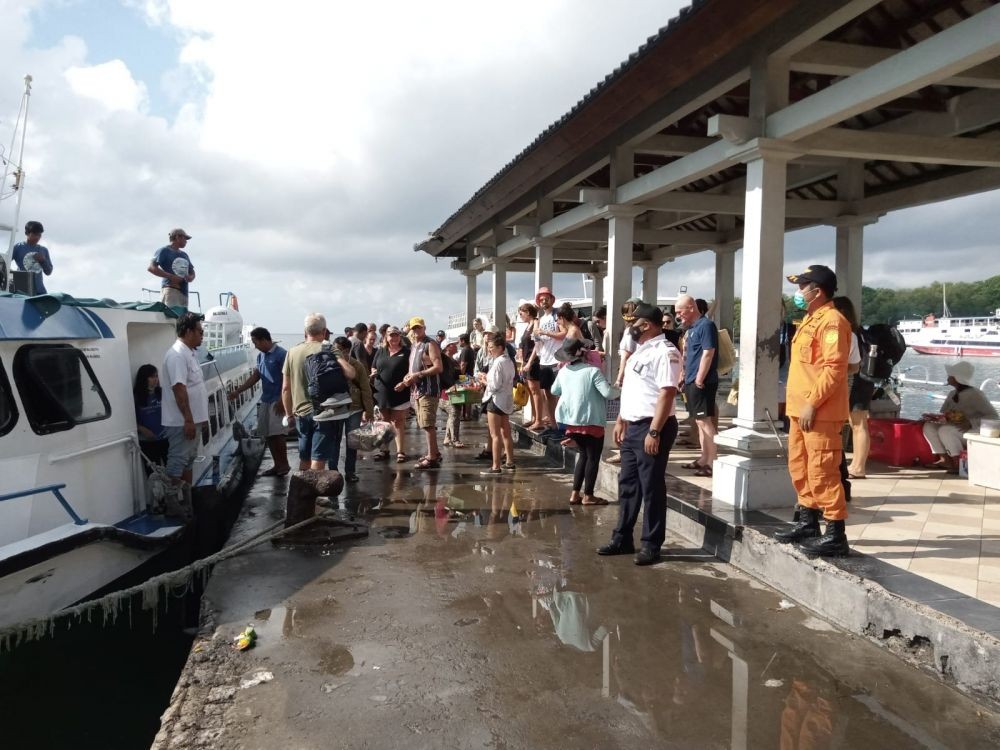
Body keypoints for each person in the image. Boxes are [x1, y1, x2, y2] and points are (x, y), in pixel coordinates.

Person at [774, 265, 851, 557]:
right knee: (800, 466)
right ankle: (807, 521)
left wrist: (812, 403)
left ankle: (835, 533)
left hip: (819, 411)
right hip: (800, 411)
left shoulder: (832, 322)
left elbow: (834, 369)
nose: (798, 292)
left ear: (817, 291)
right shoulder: (810, 319)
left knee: (823, 471)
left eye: (802, 286)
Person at [597, 303, 682, 566]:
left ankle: (651, 543)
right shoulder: (638, 353)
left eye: (632, 323)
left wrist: (655, 431)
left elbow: (667, 393)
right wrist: (621, 419)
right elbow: (634, 390)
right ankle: (622, 537)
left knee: (651, 487)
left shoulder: (665, 352)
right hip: (633, 425)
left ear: (645, 325)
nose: (628, 328)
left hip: (652, 426)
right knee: (628, 486)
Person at [281, 313, 357, 471]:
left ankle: (302, 492)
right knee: (319, 460)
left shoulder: (292, 352)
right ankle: (312, 494)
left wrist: (289, 415)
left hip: (301, 413)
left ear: (305, 332)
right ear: (324, 331)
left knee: (304, 458)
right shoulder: (329, 349)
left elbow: (285, 388)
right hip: (324, 412)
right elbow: (351, 373)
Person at [551, 338, 614, 506]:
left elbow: (554, 390)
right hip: (592, 421)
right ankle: (588, 495)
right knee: (593, 458)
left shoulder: (564, 371)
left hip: (571, 422)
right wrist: (620, 388)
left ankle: (574, 494)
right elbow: (608, 393)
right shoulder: (592, 371)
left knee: (583, 456)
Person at [229, 327, 290, 477]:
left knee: (278, 434)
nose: (255, 346)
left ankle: (284, 464)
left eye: (256, 342)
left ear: (264, 340)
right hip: (266, 399)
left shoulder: (281, 354)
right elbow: (257, 375)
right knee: (267, 434)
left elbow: (288, 379)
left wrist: (283, 400)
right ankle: (277, 464)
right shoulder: (261, 356)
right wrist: (239, 390)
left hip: (277, 399)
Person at [160, 312, 209, 489]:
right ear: (188, 331)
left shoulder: (189, 354)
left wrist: (200, 418)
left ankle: (187, 499)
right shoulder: (177, 355)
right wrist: (188, 419)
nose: (202, 335)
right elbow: (179, 388)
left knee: (188, 461)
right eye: (200, 331)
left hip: (191, 421)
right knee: (177, 462)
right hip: (182, 422)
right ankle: (176, 504)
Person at [922, 361, 998, 473]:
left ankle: (959, 464)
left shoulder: (976, 394)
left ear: (957, 378)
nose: (948, 377)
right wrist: (934, 418)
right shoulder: (952, 394)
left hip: (973, 429)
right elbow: (944, 413)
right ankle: (945, 460)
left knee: (945, 430)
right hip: (956, 427)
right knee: (929, 427)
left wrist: (971, 422)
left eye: (950, 375)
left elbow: (994, 417)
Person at [676, 294, 719, 477]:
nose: (678, 316)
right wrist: (683, 375)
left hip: (701, 382)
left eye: (680, 311)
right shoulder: (691, 328)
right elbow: (689, 355)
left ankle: (712, 461)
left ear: (691, 308)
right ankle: (703, 457)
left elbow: (708, 352)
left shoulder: (706, 325)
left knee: (705, 420)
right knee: (699, 421)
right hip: (690, 380)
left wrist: (700, 378)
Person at [401, 316, 443, 469]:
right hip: (417, 391)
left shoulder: (429, 344)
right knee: (423, 423)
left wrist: (418, 375)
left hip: (428, 390)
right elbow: (414, 367)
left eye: (419, 327)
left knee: (427, 424)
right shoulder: (415, 345)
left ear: (424, 328)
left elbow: (438, 367)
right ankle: (435, 453)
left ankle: (431, 458)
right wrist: (408, 377)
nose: (416, 330)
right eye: (414, 328)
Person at [333, 336, 375, 483]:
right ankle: (333, 472)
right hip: (335, 409)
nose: (342, 354)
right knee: (334, 441)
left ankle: (350, 471)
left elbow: (365, 389)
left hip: (354, 408)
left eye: (345, 351)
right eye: (339, 351)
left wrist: (368, 411)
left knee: (352, 441)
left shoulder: (357, 366)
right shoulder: (330, 364)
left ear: (349, 351)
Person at [372, 326, 411, 462]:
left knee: (398, 422)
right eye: (391, 335)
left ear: (400, 337)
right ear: (386, 337)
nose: (394, 338)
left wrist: (405, 383)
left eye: (396, 335)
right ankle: (384, 450)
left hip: (400, 391)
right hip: (381, 391)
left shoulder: (407, 352)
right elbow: (374, 366)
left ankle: (401, 451)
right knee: (383, 421)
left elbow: (411, 371)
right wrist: (373, 372)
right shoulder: (381, 351)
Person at [479, 335, 517, 476]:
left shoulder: (498, 362)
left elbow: (494, 385)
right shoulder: (509, 361)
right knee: (505, 432)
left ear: (500, 348)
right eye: (488, 348)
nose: (489, 351)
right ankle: (510, 461)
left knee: (495, 435)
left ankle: (496, 466)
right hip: (506, 399)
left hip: (495, 400)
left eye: (491, 348)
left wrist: (483, 380)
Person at [532, 287, 565, 431]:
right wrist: (536, 335)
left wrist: (545, 332)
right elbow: (538, 341)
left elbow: (563, 334)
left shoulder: (557, 315)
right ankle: (553, 425)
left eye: (546, 299)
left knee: (560, 394)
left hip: (557, 360)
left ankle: (563, 425)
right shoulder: (540, 319)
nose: (544, 301)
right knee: (547, 394)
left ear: (552, 300)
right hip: (544, 361)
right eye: (541, 299)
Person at [148, 228, 196, 310]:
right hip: (171, 291)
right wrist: (171, 277)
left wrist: (191, 277)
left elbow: (192, 272)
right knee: (171, 319)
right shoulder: (163, 251)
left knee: (181, 321)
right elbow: (151, 268)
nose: (186, 241)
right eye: (185, 238)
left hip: (184, 293)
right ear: (177, 237)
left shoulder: (185, 255)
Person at [517, 302, 546, 430]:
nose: (520, 316)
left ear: (528, 313)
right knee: (530, 390)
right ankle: (534, 417)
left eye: (521, 313)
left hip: (533, 361)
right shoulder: (528, 326)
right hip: (526, 360)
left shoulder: (535, 323)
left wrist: (529, 362)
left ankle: (539, 419)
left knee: (535, 391)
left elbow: (537, 344)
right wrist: (522, 361)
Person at [134, 364, 168, 469]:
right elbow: (130, 420)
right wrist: (141, 428)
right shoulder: (136, 397)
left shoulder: (162, 393)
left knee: (173, 471)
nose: (156, 379)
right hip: (147, 442)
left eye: (157, 376)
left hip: (165, 439)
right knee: (154, 474)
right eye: (152, 376)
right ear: (144, 378)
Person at [11, 220, 53, 294]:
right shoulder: (17, 248)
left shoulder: (43, 250)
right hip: (21, 292)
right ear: (26, 233)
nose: (37, 237)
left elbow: (48, 272)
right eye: (34, 234)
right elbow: (4, 263)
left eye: (39, 235)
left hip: (39, 292)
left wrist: (43, 261)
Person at [440, 339, 465, 448]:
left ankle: (447, 438)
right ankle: (455, 439)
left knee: (453, 414)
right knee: (454, 413)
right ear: (447, 347)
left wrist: (467, 381)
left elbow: (459, 376)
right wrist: (450, 386)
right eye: (454, 345)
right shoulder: (442, 360)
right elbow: (442, 377)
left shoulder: (454, 361)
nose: (456, 346)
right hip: (445, 394)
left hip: (455, 392)